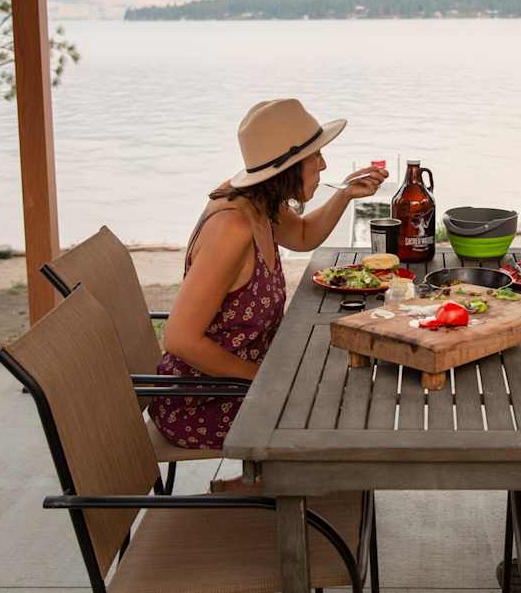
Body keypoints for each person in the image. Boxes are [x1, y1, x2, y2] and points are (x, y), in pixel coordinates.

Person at [149, 98, 388, 456]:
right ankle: (272, 489)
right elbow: (180, 339)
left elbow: (304, 236)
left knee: (350, 377)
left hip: (248, 374)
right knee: (343, 404)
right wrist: (262, 376)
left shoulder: (260, 202)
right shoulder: (231, 228)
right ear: (288, 168)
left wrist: (345, 195)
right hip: (205, 399)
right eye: (315, 156)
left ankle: (290, 486)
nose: (324, 163)